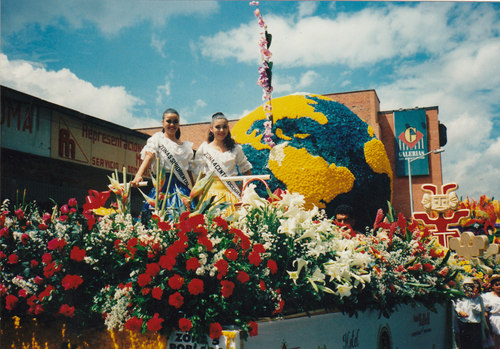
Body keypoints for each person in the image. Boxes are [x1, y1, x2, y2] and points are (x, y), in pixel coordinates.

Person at [131, 108, 195, 217]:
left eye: (175, 121)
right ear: (162, 122)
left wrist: (194, 190)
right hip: (162, 186)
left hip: (182, 189)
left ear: (179, 124)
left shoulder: (186, 147)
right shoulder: (157, 140)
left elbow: (188, 171)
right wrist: (139, 175)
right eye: (168, 121)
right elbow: (149, 156)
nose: (172, 124)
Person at [194, 112, 252, 215]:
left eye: (224, 127)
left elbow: (247, 171)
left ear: (228, 128)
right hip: (210, 196)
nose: (221, 130)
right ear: (211, 129)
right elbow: (200, 177)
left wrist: (241, 189)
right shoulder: (204, 148)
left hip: (232, 194)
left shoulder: (236, 149)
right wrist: (200, 200)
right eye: (218, 127)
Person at [453, 277, 489, 349]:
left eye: (471, 287)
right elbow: (457, 306)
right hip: (464, 323)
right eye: (467, 287)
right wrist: (460, 312)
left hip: (475, 324)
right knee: (465, 344)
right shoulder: (461, 297)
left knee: (475, 345)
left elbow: (478, 310)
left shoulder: (478, 298)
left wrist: (472, 300)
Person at [483, 274, 500, 348]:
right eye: (497, 285)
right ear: (492, 286)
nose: (499, 287)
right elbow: (485, 311)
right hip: (494, 320)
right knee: (495, 341)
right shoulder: (487, 296)